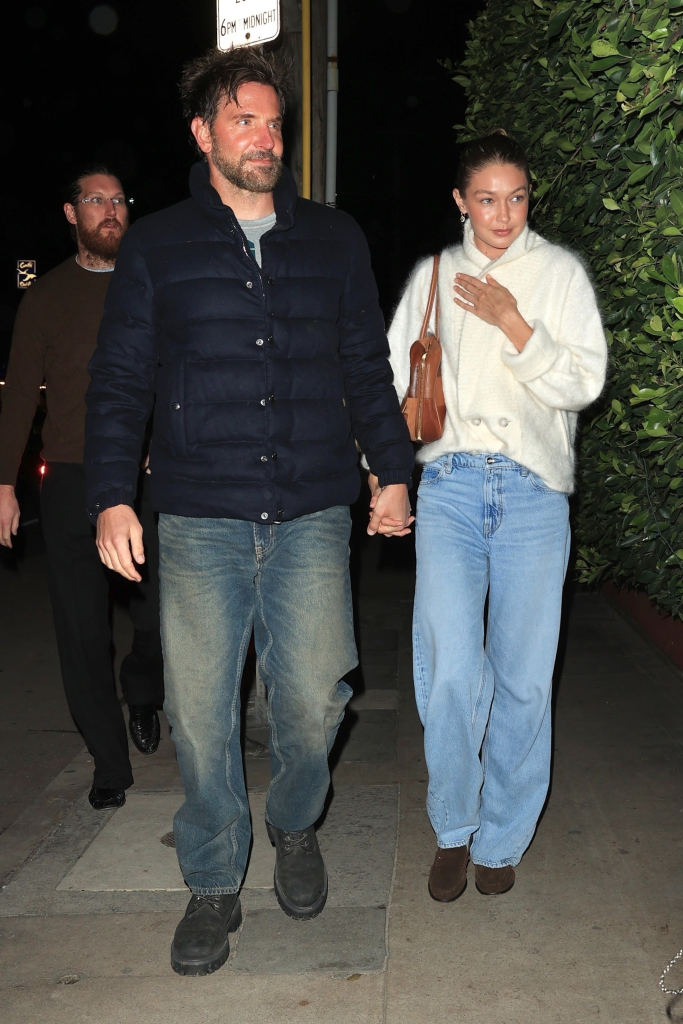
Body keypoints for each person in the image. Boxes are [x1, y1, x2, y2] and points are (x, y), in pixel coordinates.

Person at [83, 46, 414, 977]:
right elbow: (118, 382)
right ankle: (214, 880)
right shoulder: (157, 246)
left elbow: (365, 367)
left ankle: (295, 823)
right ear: (203, 133)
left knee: (312, 703)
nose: (265, 138)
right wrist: (111, 494)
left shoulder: (334, 240)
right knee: (199, 714)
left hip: (311, 511)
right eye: (244, 122)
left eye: (274, 123)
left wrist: (391, 469)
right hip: (199, 517)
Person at [380, 131, 607, 903]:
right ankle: (453, 823)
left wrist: (515, 324)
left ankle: (501, 836)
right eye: (486, 197)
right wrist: (386, 479)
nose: (502, 213)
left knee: (521, 680)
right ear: (458, 201)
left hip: (533, 497)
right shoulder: (433, 275)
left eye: (516, 197)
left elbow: (582, 384)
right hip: (447, 485)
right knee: (448, 670)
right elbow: (388, 380)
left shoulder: (559, 275)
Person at [0, 167, 165, 812]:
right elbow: (17, 398)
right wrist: (4, 483)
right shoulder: (44, 297)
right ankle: (108, 759)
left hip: (148, 479)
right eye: (95, 200)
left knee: (158, 617)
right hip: (70, 476)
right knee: (80, 628)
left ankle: (144, 694)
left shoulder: (151, 288)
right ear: (72, 214)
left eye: (119, 199)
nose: (110, 210)